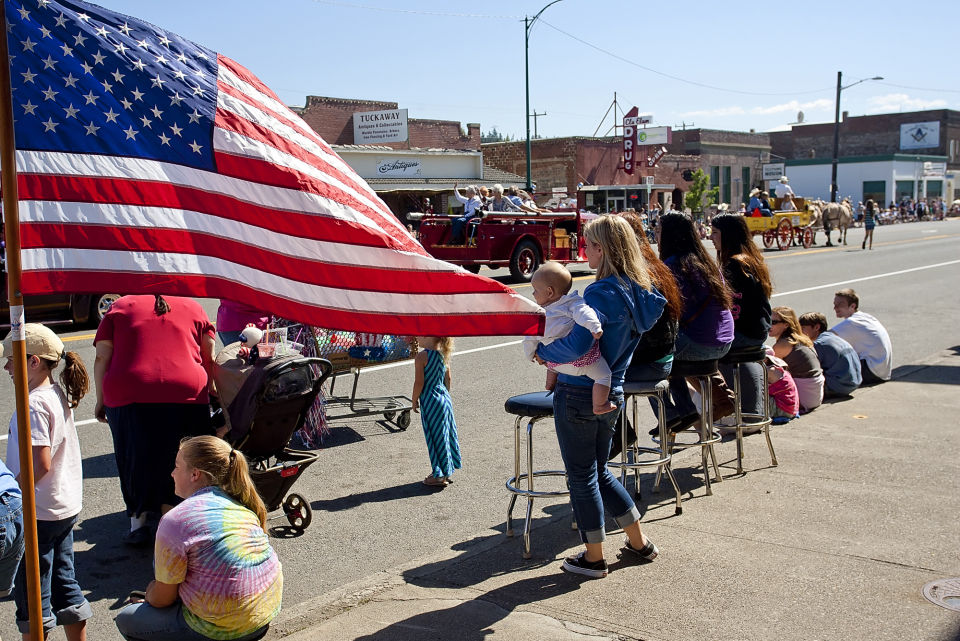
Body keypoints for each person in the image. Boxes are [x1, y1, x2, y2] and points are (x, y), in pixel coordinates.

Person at [535, 215, 665, 578]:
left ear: (603, 249)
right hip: (611, 390)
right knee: (599, 471)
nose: (584, 250)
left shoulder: (598, 292)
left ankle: (594, 557)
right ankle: (639, 543)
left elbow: (580, 344)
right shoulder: (640, 291)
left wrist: (544, 355)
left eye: (589, 244)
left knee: (581, 476)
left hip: (577, 392)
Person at [115, 436, 282, 641]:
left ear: (195, 474)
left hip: (222, 629)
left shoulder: (175, 520)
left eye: (177, 466)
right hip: (260, 618)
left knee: (127, 618)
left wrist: (149, 595)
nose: (172, 473)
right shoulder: (240, 505)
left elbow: (162, 599)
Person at [94, 294, 217, 546]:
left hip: (130, 390)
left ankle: (137, 524)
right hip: (186, 390)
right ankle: (173, 521)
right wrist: (214, 393)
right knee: (181, 456)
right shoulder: (193, 307)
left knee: (134, 456)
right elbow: (209, 357)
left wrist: (100, 400)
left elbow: (101, 358)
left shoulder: (120, 306)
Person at [3, 324, 92, 640]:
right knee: (63, 580)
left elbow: (39, 462)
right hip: (62, 505)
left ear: (34, 361)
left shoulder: (34, 403)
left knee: (31, 592)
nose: (6, 367)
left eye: (12, 359)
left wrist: (11, 492)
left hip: (37, 509)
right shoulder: (54, 393)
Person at [656, 212, 735, 431]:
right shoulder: (705, 261)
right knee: (680, 348)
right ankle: (722, 397)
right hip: (724, 340)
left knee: (657, 356)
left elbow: (666, 311)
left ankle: (680, 412)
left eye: (659, 230)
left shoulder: (674, 265)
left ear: (670, 234)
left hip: (701, 343)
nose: (656, 235)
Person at [616, 211, 682, 450]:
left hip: (650, 363)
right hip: (664, 359)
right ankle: (671, 414)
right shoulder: (655, 265)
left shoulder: (633, 273)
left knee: (590, 379)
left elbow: (624, 331)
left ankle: (618, 438)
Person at [523, 262, 615, 415]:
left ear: (549, 292)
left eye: (535, 290)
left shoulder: (538, 316)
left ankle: (550, 382)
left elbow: (529, 338)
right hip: (583, 363)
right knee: (604, 375)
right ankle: (600, 405)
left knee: (549, 346)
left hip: (556, 363)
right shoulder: (572, 303)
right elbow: (586, 314)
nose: (533, 294)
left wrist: (531, 355)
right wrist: (595, 327)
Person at [710, 214, 773, 425]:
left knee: (703, 351)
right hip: (757, 330)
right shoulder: (750, 260)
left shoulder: (734, 266)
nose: (711, 237)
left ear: (728, 235)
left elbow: (731, 309)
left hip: (746, 333)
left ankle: (727, 407)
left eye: (716, 233)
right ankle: (745, 408)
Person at [411, 336, 460, 487]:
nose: (417, 337)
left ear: (429, 337)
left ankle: (439, 475)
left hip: (430, 400)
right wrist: (445, 395)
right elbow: (448, 379)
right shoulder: (443, 353)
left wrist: (414, 400)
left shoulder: (422, 357)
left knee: (434, 438)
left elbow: (419, 382)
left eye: (420, 334)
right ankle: (446, 470)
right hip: (444, 398)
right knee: (445, 435)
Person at [830, 289, 892, 385]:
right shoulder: (865, 317)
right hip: (883, 371)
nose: (835, 308)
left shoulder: (852, 322)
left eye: (840, 305)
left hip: (872, 371)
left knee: (831, 364)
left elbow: (824, 338)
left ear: (852, 306)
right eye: (834, 304)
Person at [769, 307, 824, 413]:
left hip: (805, 396)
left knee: (768, 372)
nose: (768, 325)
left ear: (786, 324)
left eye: (773, 322)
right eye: (767, 320)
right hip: (816, 394)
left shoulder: (783, 344)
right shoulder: (801, 338)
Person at [798, 312, 862, 397]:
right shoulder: (833, 337)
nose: (800, 332)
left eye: (803, 328)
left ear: (817, 327)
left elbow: (809, 368)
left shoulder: (819, 344)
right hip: (854, 382)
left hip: (840, 386)